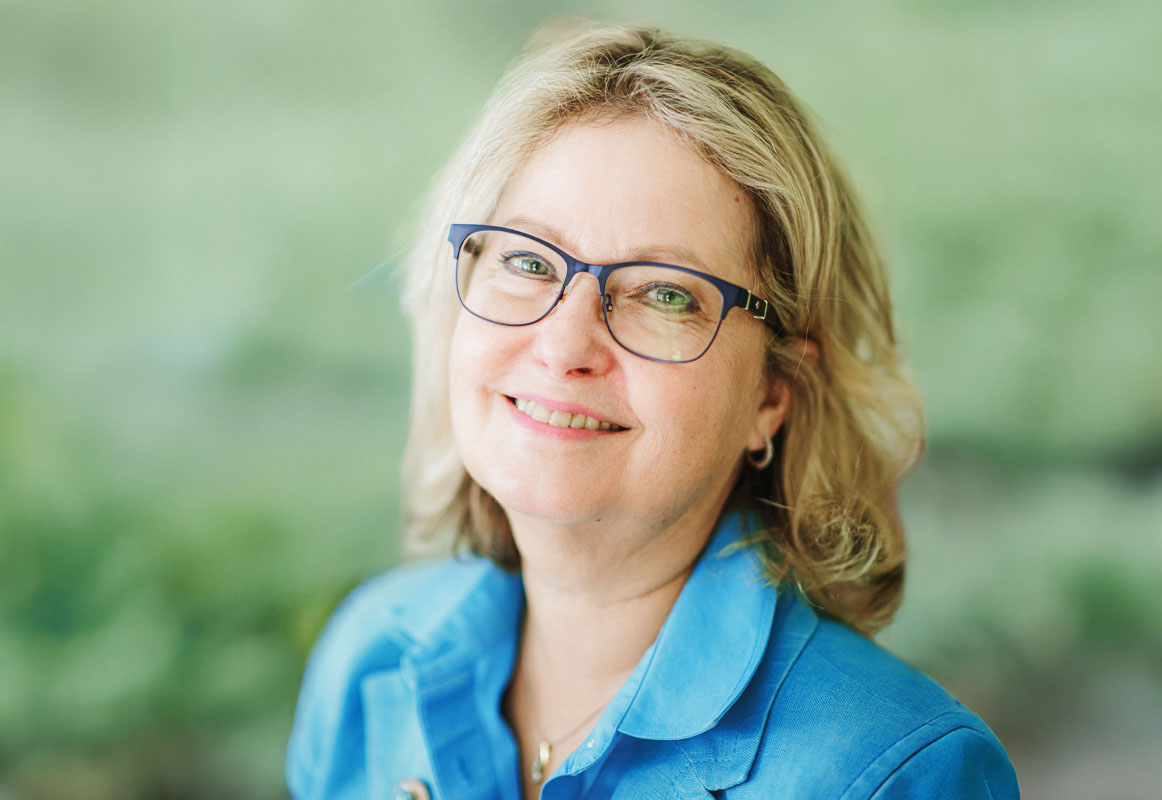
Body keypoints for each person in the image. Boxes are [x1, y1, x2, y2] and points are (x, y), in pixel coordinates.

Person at [286, 22, 1019, 800]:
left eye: (664, 294)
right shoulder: (369, 657)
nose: (564, 345)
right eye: (528, 260)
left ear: (772, 395)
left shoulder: (896, 774)